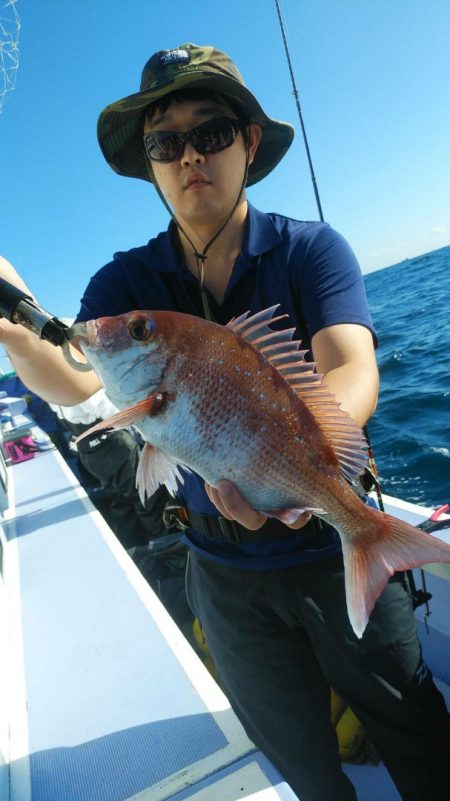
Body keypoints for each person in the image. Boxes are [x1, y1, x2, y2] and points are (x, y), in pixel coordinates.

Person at [0, 43, 449, 801]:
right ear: (149, 164)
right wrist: (12, 329)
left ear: (247, 142)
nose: (188, 157)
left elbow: (352, 369)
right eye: (164, 143)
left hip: (322, 536)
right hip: (222, 570)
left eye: (209, 132)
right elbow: (82, 383)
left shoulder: (311, 249)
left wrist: (291, 466)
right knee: (298, 758)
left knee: (416, 728)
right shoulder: (125, 284)